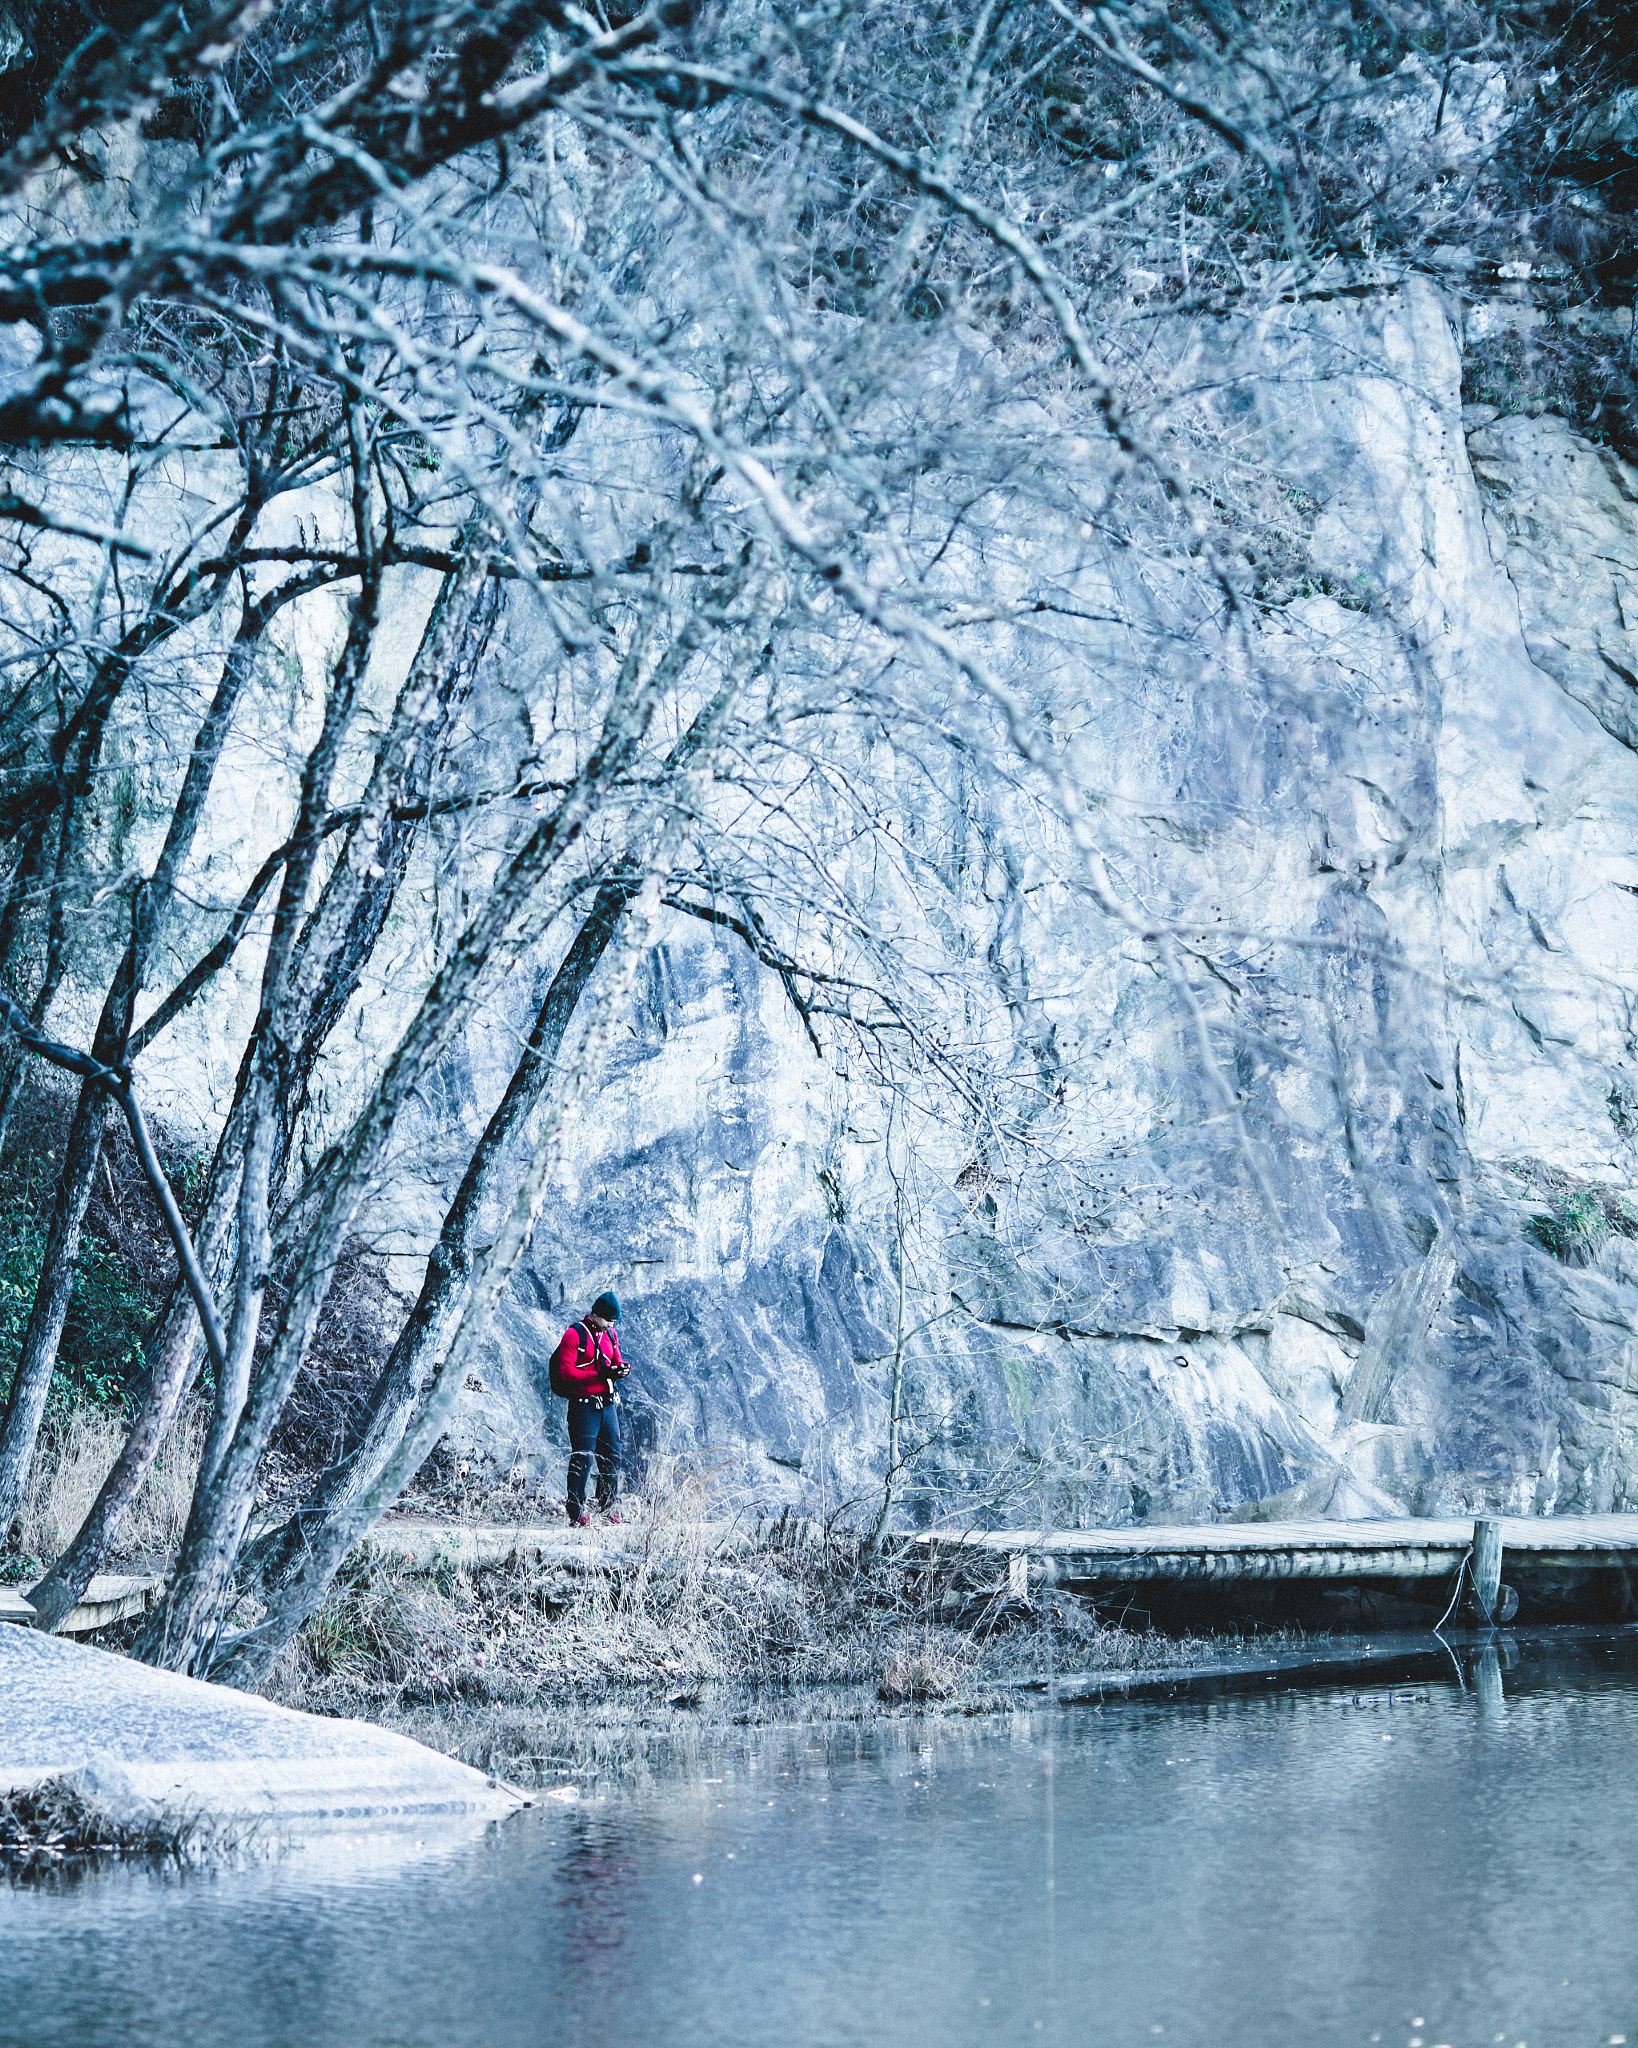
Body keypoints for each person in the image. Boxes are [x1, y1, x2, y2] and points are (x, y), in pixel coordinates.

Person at [556, 1290, 630, 1526]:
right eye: (608, 1320)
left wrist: (620, 1370)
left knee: (612, 1456)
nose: (610, 1325)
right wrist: (599, 1374)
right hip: (583, 1406)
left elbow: (615, 1361)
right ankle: (576, 1510)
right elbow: (566, 1372)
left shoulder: (611, 1335)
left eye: (614, 1322)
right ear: (596, 1315)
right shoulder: (574, 1335)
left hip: (607, 1404)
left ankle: (608, 1506)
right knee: (583, 1458)